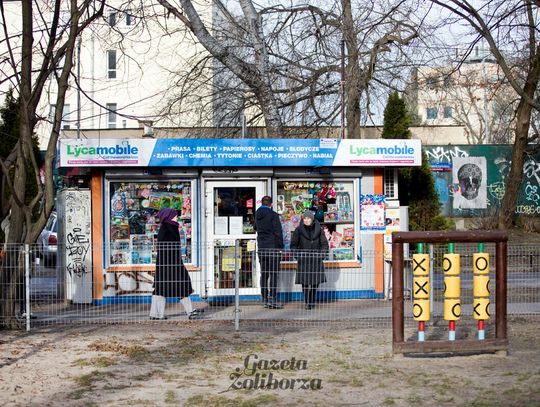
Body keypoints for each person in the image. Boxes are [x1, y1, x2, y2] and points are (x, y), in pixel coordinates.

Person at [149, 208, 203, 320]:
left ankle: (156, 314)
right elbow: (169, 249)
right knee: (180, 286)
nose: (176, 217)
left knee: (161, 288)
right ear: (168, 216)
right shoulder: (169, 229)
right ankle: (189, 312)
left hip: (166, 265)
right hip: (172, 264)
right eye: (174, 215)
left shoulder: (167, 228)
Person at [291, 210, 329, 310]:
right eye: (305, 218)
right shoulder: (298, 230)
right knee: (305, 282)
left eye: (308, 218)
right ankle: (307, 301)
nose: (306, 220)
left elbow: (324, 244)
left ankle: (312, 299)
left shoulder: (319, 230)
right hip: (304, 260)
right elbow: (293, 245)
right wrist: (298, 256)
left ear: (312, 219)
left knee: (315, 282)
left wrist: (322, 255)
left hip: (316, 259)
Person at [255, 195, 284, 309]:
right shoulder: (273, 215)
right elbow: (278, 232)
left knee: (264, 273)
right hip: (273, 247)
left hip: (262, 247)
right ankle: (273, 298)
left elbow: (255, 228)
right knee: (274, 274)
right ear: (271, 204)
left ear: (261, 203)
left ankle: (264, 298)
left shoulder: (257, 214)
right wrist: (280, 246)